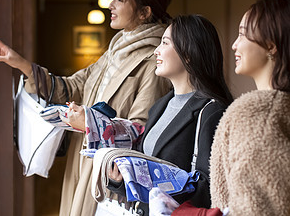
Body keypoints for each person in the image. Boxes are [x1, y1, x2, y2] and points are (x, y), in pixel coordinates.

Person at [0, 0, 173, 216]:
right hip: (83, 161)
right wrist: (20, 63)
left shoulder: (152, 62)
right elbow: (71, 87)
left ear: (144, 12)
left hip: (110, 174)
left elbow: (141, 131)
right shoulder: (114, 52)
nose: (111, 4)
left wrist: (88, 121)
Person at [171, 0, 290, 215]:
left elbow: (256, 211)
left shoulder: (259, 114)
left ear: (271, 45)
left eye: (243, 33)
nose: (234, 44)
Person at [93, 14, 233, 216]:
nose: (156, 51)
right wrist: (120, 180)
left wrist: (161, 189)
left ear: (188, 54)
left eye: (165, 43)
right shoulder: (160, 106)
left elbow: (211, 186)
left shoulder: (211, 111)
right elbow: (146, 181)